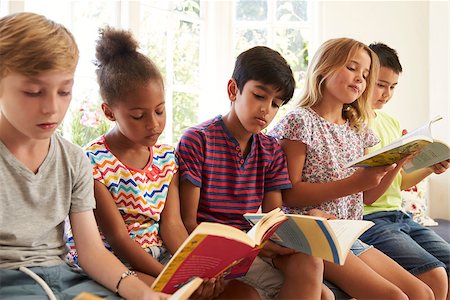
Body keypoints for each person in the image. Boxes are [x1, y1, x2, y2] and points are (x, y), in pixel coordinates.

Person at [64, 26, 257, 299]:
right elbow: (118, 238)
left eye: (159, 110)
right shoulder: (93, 162)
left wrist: (195, 271)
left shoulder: (167, 158)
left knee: (245, 295)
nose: (153, 124)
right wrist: (169, 279)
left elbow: (172, 226)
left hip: (160, 257)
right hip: (116, 262)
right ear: (109, 112)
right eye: (138, 115)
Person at [0, 12, 165, 299]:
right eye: (33, 92)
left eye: (64, 91)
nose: (52, 107)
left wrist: (143, 294)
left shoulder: (74, 159)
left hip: (64, 279)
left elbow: (91, 252)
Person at [269, 37, 434, 300]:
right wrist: (355, 183)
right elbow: (289, 194)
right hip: (315, 235)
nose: (360, 78)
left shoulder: (358, 129)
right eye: (352, 68)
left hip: (349, 234)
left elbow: (366, 196)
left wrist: (398, 162)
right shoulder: (300, 121)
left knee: (422, 292)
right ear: (324, 67)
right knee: (397, 297)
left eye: (366, 74)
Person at [177, 45, 332, 300]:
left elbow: (271, 218)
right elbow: (188, 222)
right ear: (233, 90)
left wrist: (310, 223)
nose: (266, 110)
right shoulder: (198, 140)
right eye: (259, 96)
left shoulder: (270, 149)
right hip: (212, 252)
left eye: (275, 104)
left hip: (251, 249)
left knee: (318, 279)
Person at [359, 42, 450, 300]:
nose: (386, 94)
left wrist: (431, 167)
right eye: (381, 84)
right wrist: (398, 160)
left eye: (393, 87)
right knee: (435, 273)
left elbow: (398, 183)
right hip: (370, 218)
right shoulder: (354, 123)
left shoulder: (391, 122)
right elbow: (368, 192)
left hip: (398, 216)